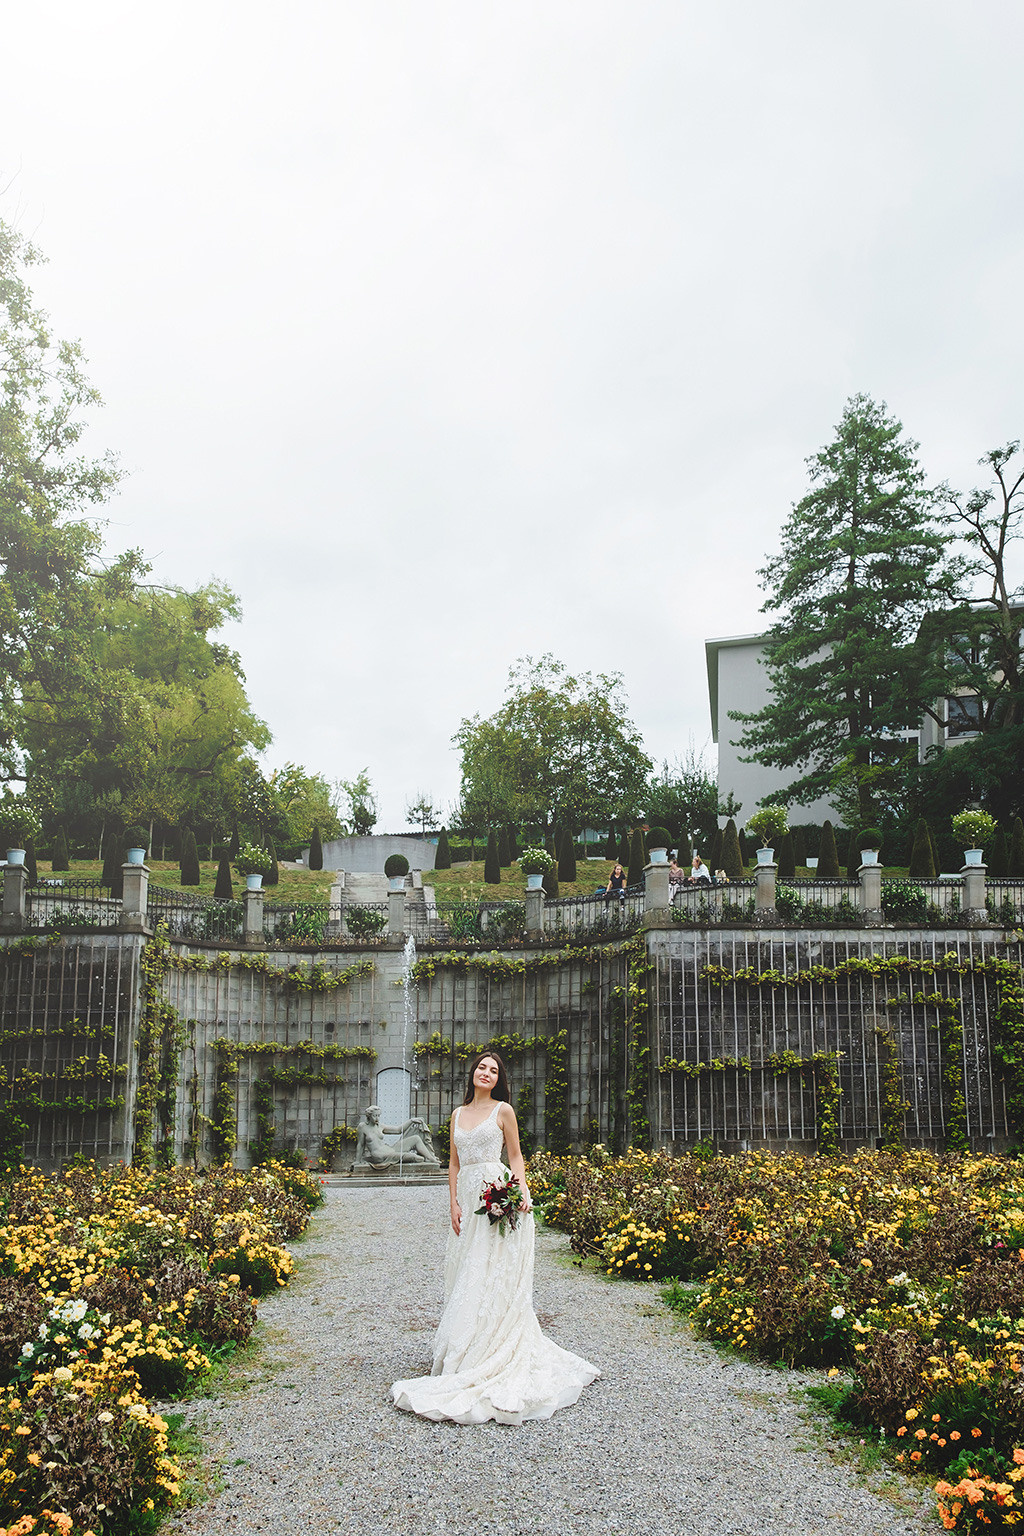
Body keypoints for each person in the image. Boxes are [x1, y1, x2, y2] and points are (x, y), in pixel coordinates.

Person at [391, 1051, 599, 1424]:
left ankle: (490, 1346)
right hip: (467, 1197)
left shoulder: (503, 1111)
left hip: (496, 1195)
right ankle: (467, 1345)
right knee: (465, 1269)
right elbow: (453, 1163)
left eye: (493, 1070)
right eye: (481, 1067)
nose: (486, 1073)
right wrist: (452, 1202)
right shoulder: (456, 1114)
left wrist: (521, 1193)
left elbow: (516, 1156)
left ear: (498, 1078)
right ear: (472, 1074)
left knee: (488, 1269)